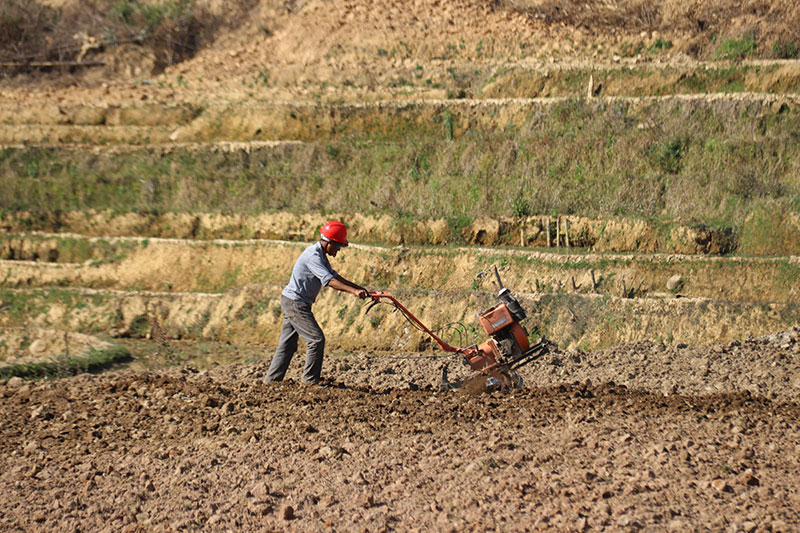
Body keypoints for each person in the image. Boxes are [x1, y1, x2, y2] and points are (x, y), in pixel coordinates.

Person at [264, 220, 370, 384]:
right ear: (329, 243)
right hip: (295, 303)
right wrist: (354, 292)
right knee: (316, 339)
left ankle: (271, 381)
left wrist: (360, 288)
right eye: (337, 245)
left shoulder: (320, 254)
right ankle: (310, 381)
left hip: (293, 301)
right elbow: (329, 281)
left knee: (288, 345)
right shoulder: (313, 256)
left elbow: (335, 276)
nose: (338, 249)